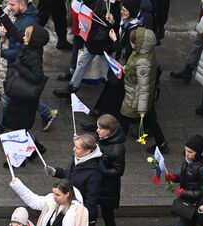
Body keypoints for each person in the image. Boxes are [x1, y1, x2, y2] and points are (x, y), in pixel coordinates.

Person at [0, 0, 58, 137]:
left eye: (12, 5)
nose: (9, 7)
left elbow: (19, 51)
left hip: (18, 69)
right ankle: (46, 113)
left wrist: (0, 53)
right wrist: (0, 13)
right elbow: (15, 33)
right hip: (17, 68)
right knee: (21, 96)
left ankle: (5, 127)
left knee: (10, 97)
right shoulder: (23, 19)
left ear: (22, 5)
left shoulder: (28, 24)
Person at [86, 0, 142, 130]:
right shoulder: (128, 23)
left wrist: (115, 40)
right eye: (122, 10)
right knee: (110, 94)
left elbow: (126, 51)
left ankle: (102, 121)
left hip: (124, 69)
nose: (122, 13)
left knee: (112, 97)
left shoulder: (134, 29)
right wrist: (113, 23)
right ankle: (102, 115)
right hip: (120, 67)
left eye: (124, 11)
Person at [0, 23, 50, 158]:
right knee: (21, 126)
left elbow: (37, 77)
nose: (23, 37)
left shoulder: (32, 55)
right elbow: (17, 36)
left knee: (19, 127)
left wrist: (19, 67)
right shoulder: (30, 48)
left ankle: (18, 158)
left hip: (24, 96)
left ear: (33, 39)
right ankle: (35, 150)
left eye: (26, 35)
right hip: (21, 94)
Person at [120, 27, 169, 154]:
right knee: (151, 120)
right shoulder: (145, 52)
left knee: (124, 120)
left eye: (132, 42)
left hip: (135, 97)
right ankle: (162, 144)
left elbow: (143, 86)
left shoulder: (142, 61)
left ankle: (115, 147)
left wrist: (141, 108)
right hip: (145, 97)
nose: (131, 44)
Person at [53, 0, 116, 97]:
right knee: (83, 63)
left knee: (106, 69)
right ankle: (72, 87)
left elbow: (113, 23)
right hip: (94, 38)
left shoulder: (111, 4)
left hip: (102, 40)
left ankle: (112, 95)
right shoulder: (100, 2)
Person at [45, 134, 103, 226]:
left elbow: (91, 200)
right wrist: (55, 172)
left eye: (77, 148)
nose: (73, 149)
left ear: (87, 151)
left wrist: (83, 221)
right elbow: (69, 174)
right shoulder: (77, 158)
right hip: (66, 204)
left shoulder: (94, 173)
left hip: (77, 211)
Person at [165, 135, 203, 226]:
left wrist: (183, 193)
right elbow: (186, 176)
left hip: (194, 206)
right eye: (185, 150)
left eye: (190, 152)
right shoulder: (188, 160)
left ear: (198, 152)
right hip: (187, 204)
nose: (186, 154)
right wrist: (174, 178)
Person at [95, 115, 125, 226]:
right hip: (97, 185)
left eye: (101, 128)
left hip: (108, 189)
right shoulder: (101, 140)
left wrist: (102, 170)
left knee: (108, 217)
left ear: (110, 131)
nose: (97, 130)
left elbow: (119, 171)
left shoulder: (117, 148)